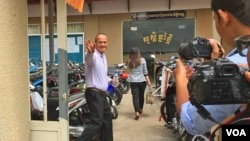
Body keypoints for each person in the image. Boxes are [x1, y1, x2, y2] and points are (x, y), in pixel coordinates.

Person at [173, 0, 250, 136]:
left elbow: (192, 122)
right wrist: (214, 65)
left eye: (214, 18)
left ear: (223, 17)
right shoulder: (239, 59)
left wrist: (180, 79)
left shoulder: (239, 64)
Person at [76, 33, 113, 141]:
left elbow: (102, 75)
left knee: (107, 122)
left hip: (102, 94)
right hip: (94, 93)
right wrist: (90, 52)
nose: (103, 44)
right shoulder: (93, 55)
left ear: (107, 43)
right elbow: (88, 60)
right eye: (100, 42)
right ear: (95, 43)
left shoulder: (103, 56)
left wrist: (111, 81)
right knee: (97, 122)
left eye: (105, 42)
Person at [125, 47, 152, 120]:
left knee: (135, 97)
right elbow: (145, 72)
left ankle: (137, 112)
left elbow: (126, 68)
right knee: (141, 96)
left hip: (133, 81)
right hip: (142, 81)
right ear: (138, 53)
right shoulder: (142, 60)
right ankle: (141, 109)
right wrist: (149, 82)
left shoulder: (129, 61)